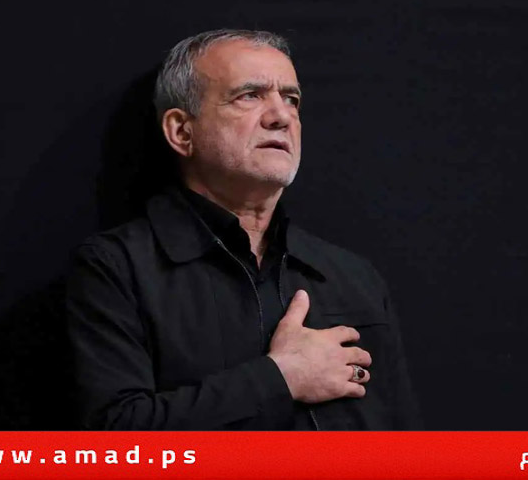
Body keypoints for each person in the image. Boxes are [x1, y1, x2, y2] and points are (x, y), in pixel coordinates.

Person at [65, 29, 421, 430]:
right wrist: (281, 379)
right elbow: (115, 442)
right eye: (250, 96)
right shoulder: (116, 268)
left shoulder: (354, 276)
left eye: (291, 99)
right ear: (181, 132)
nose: (281, 117)